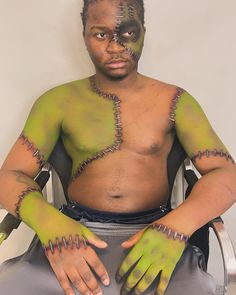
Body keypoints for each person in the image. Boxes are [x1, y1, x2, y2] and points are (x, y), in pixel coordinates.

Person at [0, 0, 235, 294]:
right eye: (101, 35)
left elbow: (226, 172)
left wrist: (177, 226)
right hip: (74, 233)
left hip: (155, 233)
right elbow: (10, 175)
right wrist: (49, 224)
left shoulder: (175, 101)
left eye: (128, 34)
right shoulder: (57, 102)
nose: (115, 47)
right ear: (84, 34)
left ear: (143, 33)